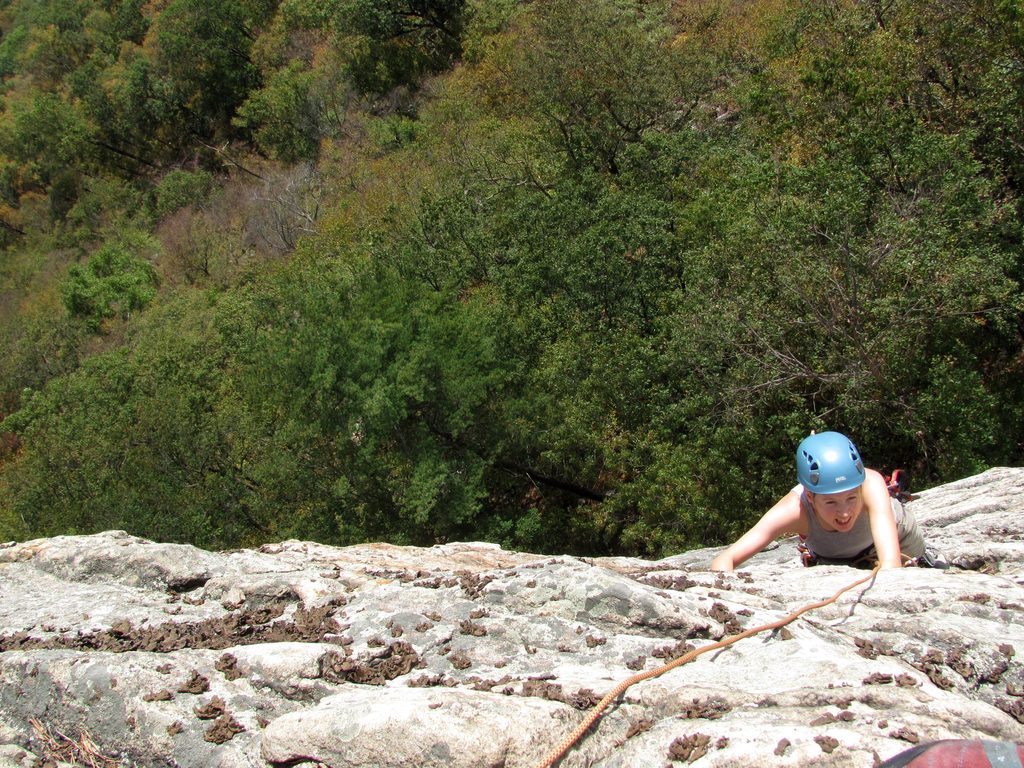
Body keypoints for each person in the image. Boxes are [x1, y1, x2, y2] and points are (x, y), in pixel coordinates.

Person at [710, 431, 926, 571]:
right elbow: (725, 560)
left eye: (852, 498)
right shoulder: (794, 509)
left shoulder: (871, 484)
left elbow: (891, 565)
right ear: (811, 496)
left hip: (901, 539)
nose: (844, 513)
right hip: (834, 558)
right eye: (831, 503)